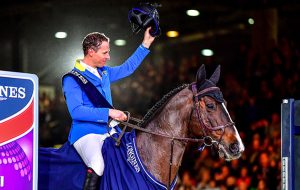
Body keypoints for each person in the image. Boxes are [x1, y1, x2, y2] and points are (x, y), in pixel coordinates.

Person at [62, 27, 155, 189]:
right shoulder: (71, 79)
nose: (108, 56)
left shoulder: (104, 72)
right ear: (91, 51)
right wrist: (109, 112)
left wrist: (145, 43)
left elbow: (128, 68)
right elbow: (76, 112)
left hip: (109, 131)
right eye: (105, 53)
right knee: (98, 164)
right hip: (86, 132)